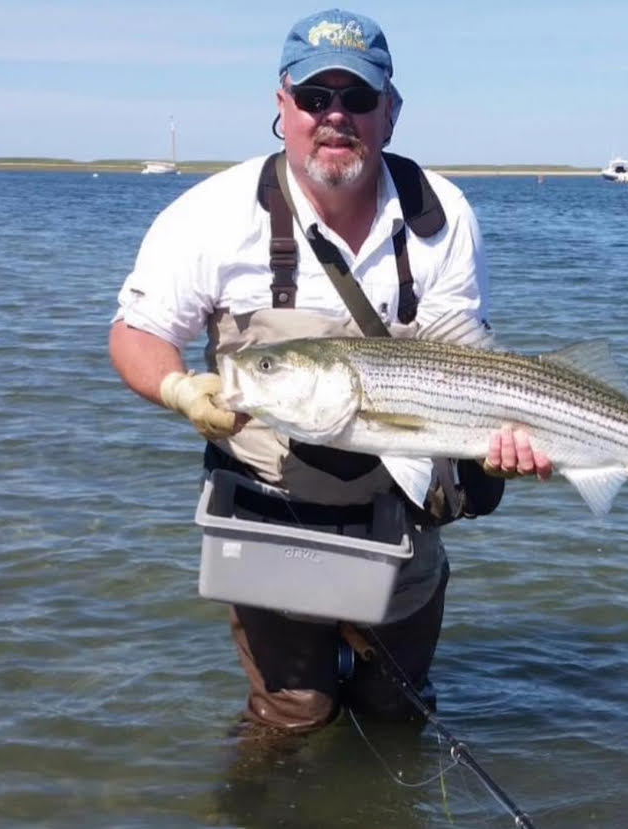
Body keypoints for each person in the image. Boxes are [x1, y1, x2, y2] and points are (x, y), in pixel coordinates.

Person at [109, 8, 551, 734]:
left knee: (395, 708)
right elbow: (136, 333)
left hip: (399, 518)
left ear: (391, 112)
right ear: (281, 107)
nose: (334, 116)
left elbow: (465, 357)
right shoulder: (214, 215)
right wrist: (181, 386)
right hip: (266, 514)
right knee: (292, 712)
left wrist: (511, 444)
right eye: (315, 98)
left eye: (358, 98)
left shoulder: (442, 215)